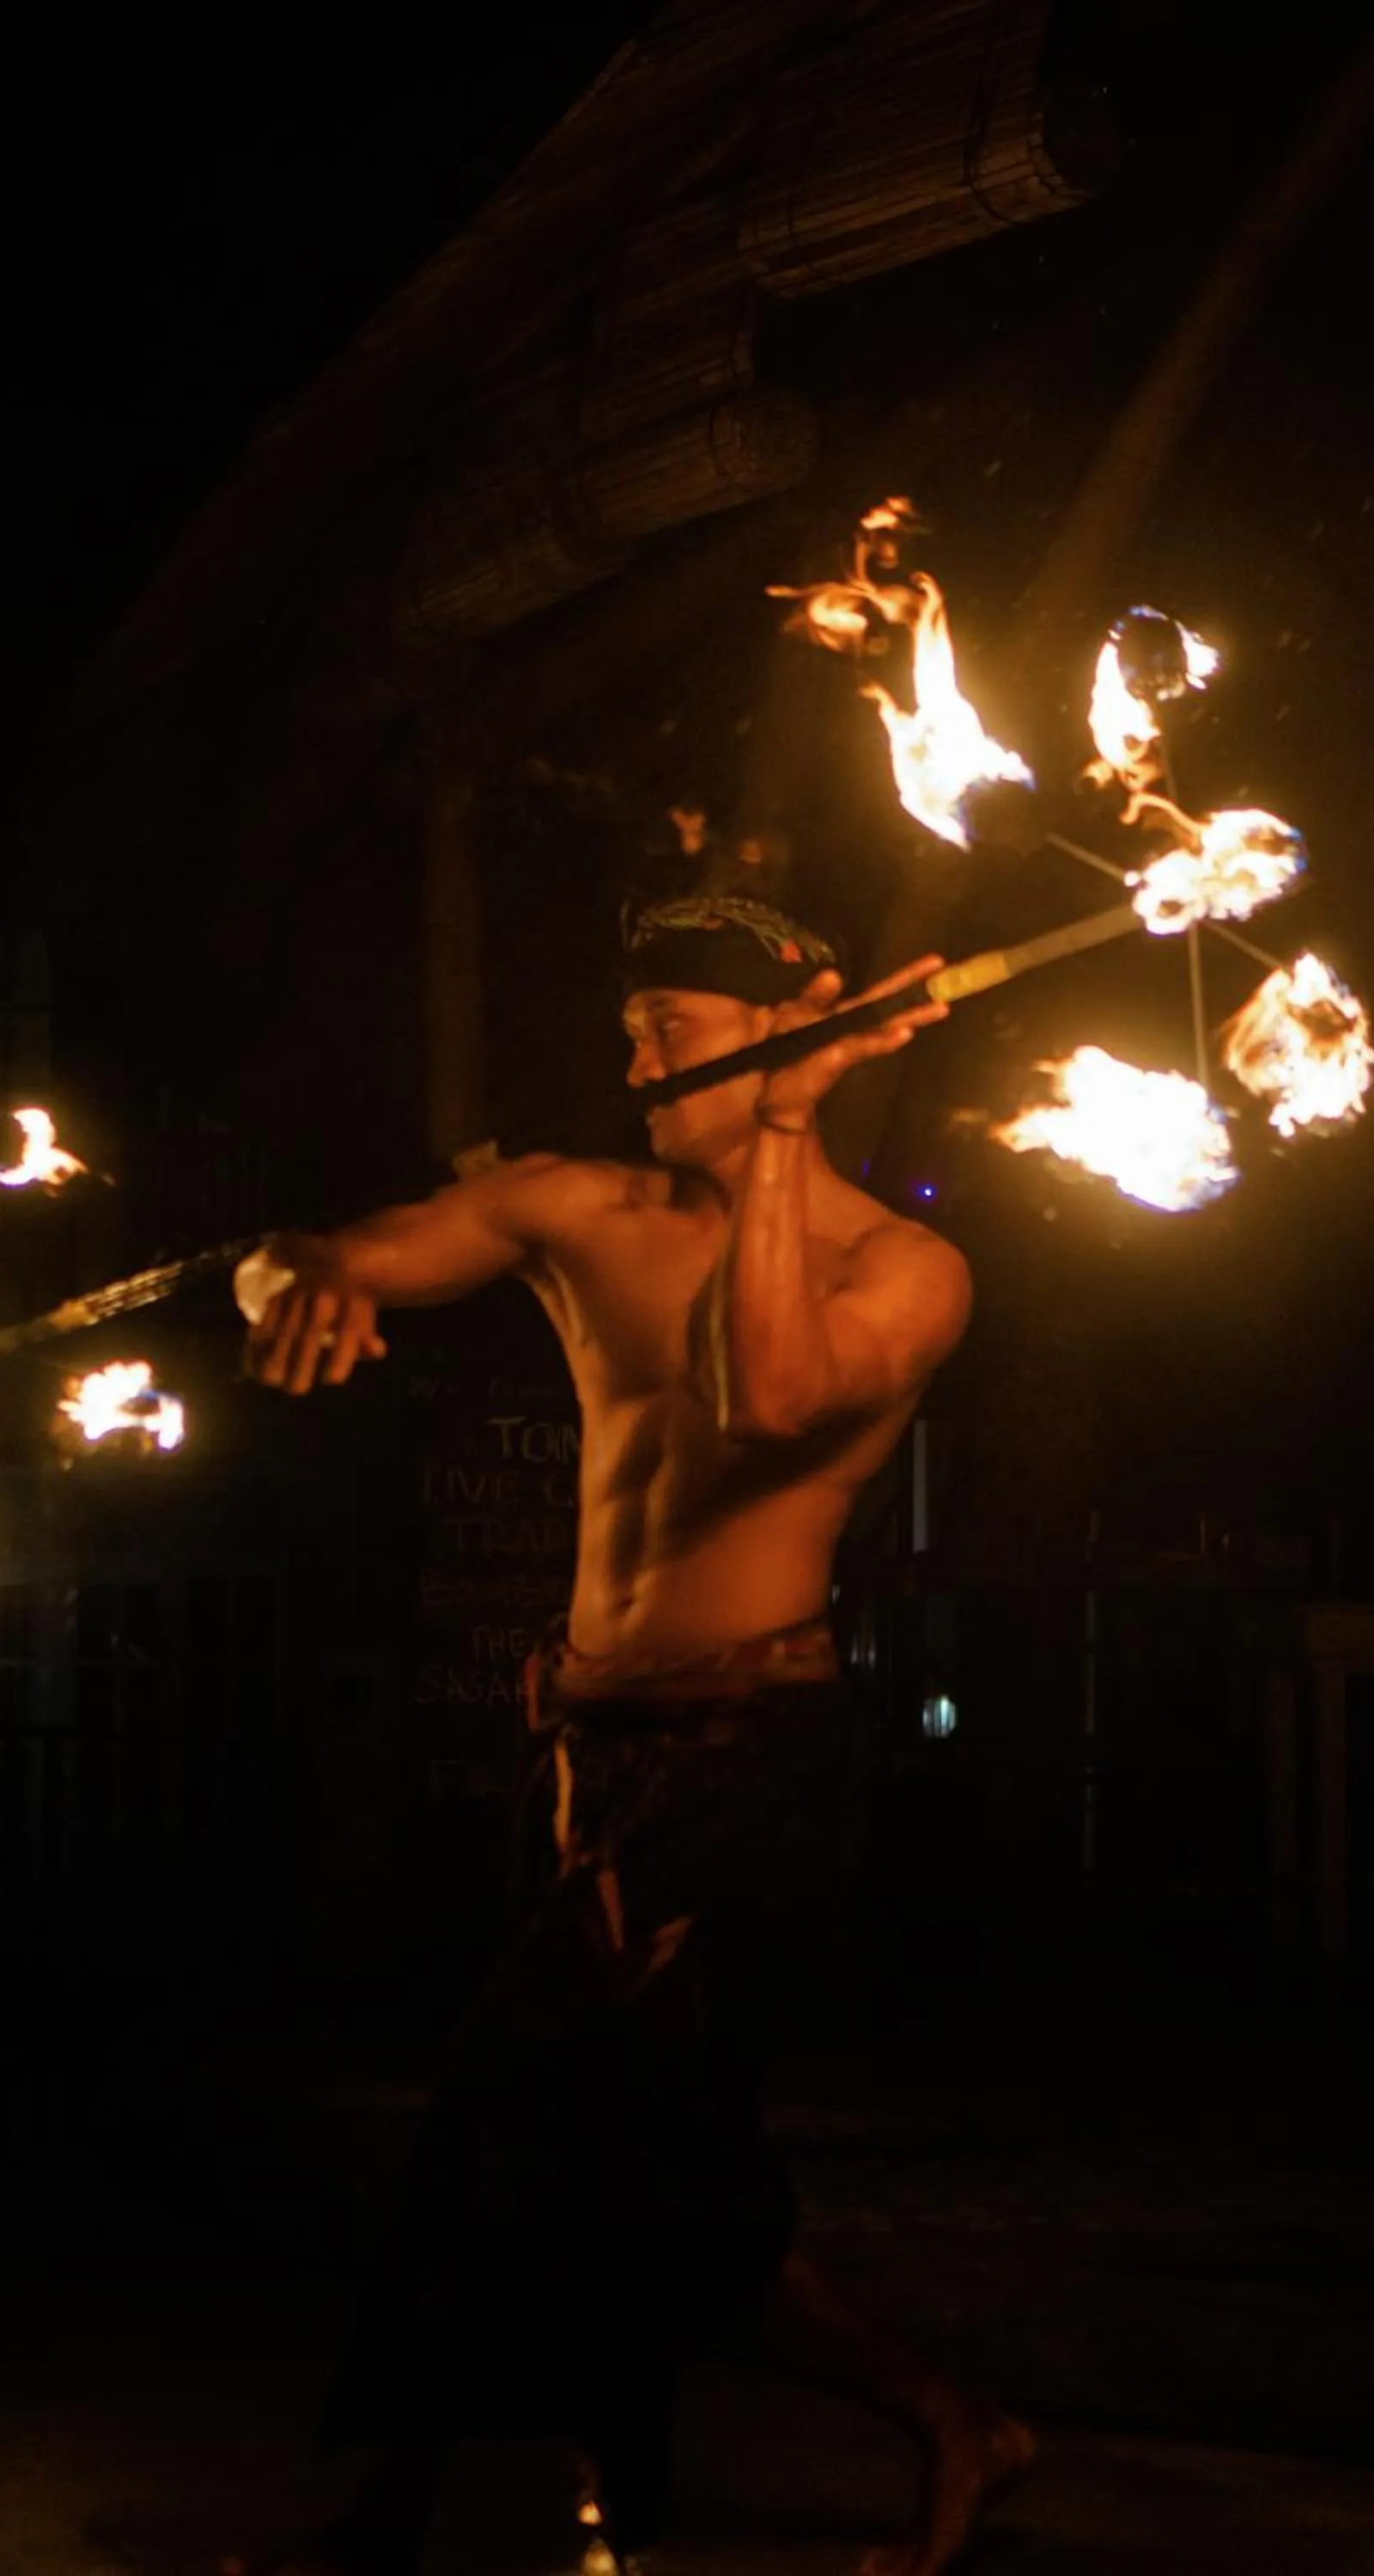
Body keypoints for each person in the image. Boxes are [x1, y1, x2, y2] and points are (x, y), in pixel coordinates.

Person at [229, 894, 1035, 2576]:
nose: (633, 1056)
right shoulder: (586, 1208)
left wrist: (790, 1136)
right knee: (619, 2172)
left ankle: (430, 2523)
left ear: (788, 1028)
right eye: (632, 1025)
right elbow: (359, 1241)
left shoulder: (907, 1269)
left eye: (672, 1024)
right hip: (586, 1758)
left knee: (516, 2124)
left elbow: (767, 1401)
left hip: (752, 1764)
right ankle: (921, 2429)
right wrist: (291, 1271)